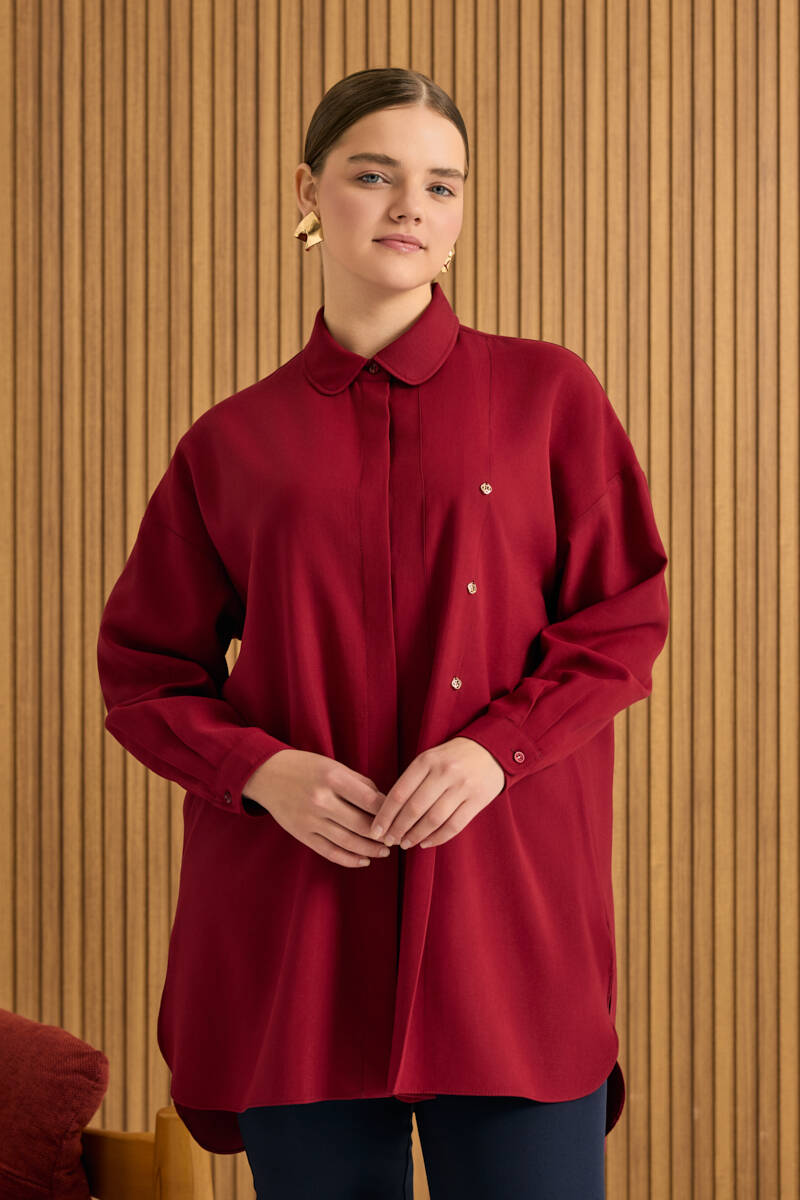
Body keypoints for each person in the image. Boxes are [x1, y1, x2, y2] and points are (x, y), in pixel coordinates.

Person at [96, 66, 669, 1199]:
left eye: (441, 185)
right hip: (296, 934)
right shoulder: (232, 441)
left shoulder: (548, 395)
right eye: (374, 175)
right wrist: (262, 773)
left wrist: (495, 750)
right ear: (308, 192)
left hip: (505, 922)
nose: (411, 206)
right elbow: (143, 673)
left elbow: (621, 617)